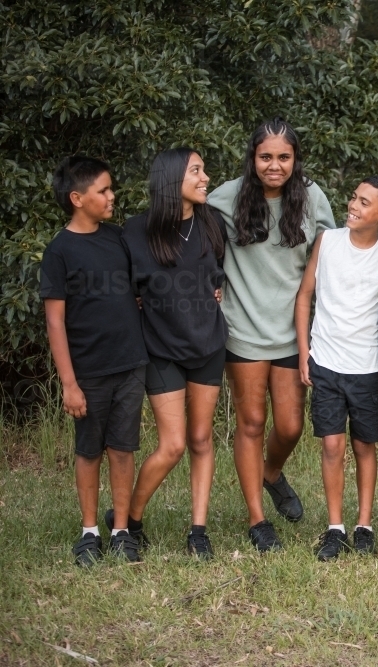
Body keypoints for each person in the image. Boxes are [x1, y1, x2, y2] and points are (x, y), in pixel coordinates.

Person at [208, 118, 336, 552]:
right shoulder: (224, 198)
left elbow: (330, 260)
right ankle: (258, 520)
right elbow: (190, 241)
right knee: (251, 422)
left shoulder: (313, 198)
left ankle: (271, 473)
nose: (274, 165)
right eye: (266, 157)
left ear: (295, 159)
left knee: (290, 425)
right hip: (242, 329)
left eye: (283, 157)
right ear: (253, 158)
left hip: (291, 331)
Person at [114, 148, 228, 560]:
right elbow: (123, 289)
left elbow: (217, 274)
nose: (205, 177)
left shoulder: (211, 223)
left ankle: (198, 530)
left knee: (201, 438)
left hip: (208, 345)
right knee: (173, 444)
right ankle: (129, 519)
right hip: (161, 349)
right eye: (196, 171)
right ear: (171, 179)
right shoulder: (134, 232)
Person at [41, 156, 149, 566]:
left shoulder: (119, 238)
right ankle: (90, 533)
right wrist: (69, 383)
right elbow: (55, 322)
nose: (111, 196)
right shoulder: (59, 251)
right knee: (89, 451)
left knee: (122, 449)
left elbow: (139, 289)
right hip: (88, 372)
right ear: (77, 198)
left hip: (130, 364)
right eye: (103, 190)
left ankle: (121, 530)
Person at [295, 176, 378, 560]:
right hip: (326, 362)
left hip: (368, 366)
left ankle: (364, 525)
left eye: (365, 202)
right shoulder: (328, 241)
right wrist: (305, 351)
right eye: (354, 197)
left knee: (363, 445)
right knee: (333, 445)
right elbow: (305, 295)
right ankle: (335, 527)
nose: (354, 205)